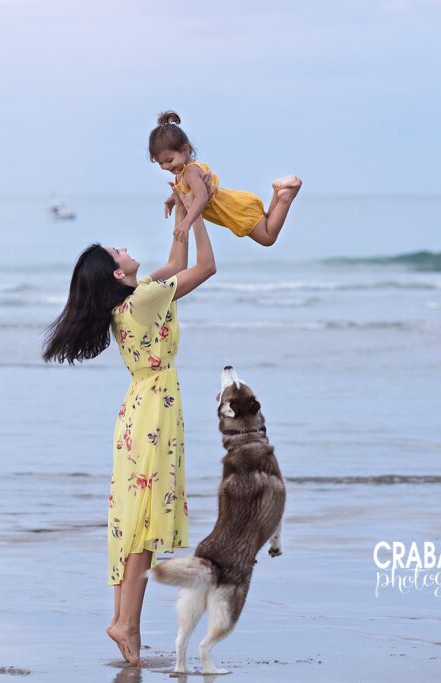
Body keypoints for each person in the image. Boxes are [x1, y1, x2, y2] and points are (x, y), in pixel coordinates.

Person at [42, 205, 217, 666]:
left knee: (133, 523)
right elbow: (205, 267)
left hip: (141, 412)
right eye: (116, 251)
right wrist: (199, 214)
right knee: (140, 527)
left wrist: (182, 209)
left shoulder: (135, 296)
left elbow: (176, 265)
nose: (124, 247)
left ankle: (125, 623)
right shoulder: (142, 300)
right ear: (117, 274)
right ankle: (127, 624)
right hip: (153, 415)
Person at [149, 110, 303, 247]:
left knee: (268, 238)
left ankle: (285, 198)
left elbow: (201, 197)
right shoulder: (183, 171)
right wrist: (172, 200)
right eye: (160, 163)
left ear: (185, 149)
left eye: (169, 160)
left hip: (235, 210)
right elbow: (187, 190)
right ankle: (277, 190)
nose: (166, 166)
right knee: (269, 223)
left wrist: (186, 223)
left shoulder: (190, 172)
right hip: (236, 203)